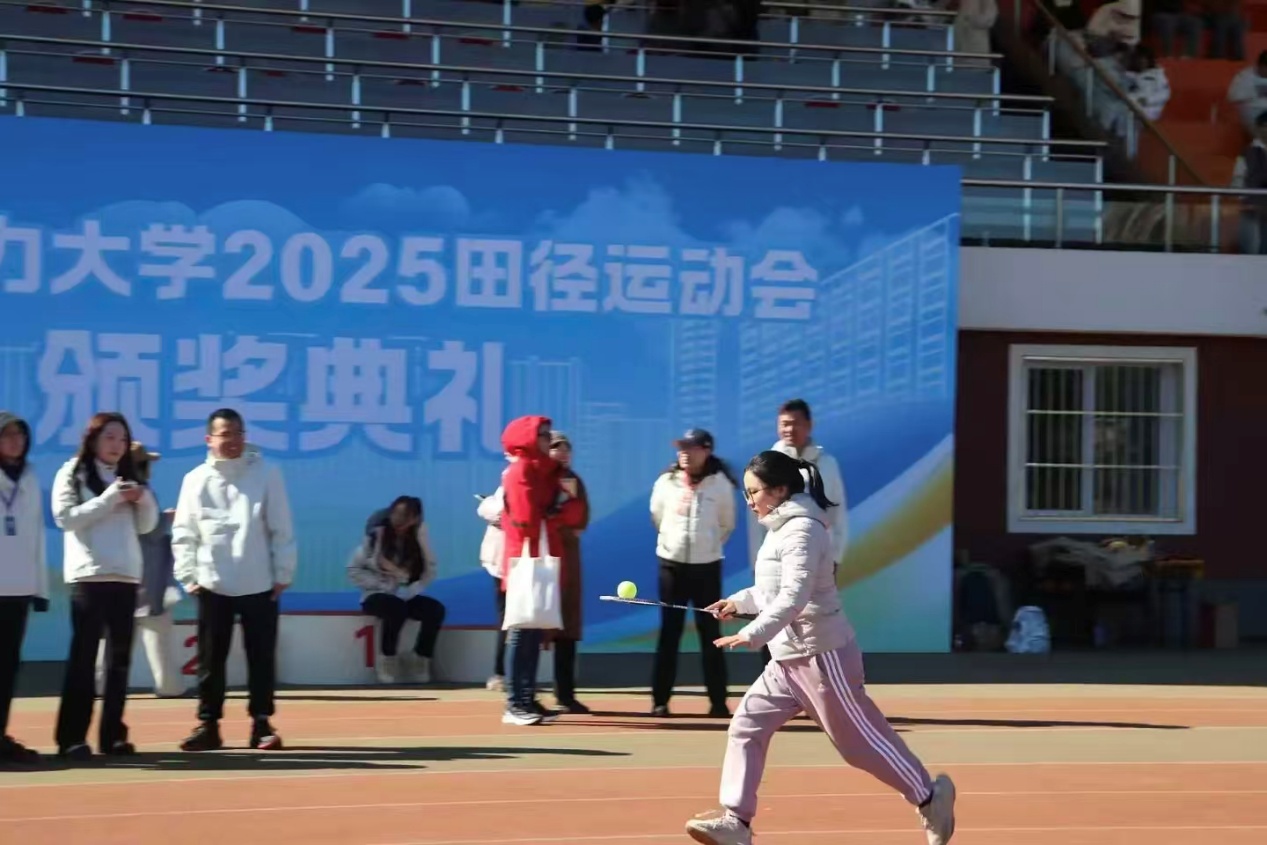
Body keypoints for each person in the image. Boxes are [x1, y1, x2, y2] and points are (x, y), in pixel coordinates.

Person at [684, 451, 956, 845]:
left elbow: (794, 596)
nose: (749, 501)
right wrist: (738, 603)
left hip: (821, 657)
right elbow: (770, 591)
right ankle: (736, 822)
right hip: (785, 660)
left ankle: (930, 798)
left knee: (858, 746)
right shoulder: (779, 528)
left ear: (780, 490)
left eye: (754, 492)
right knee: (746, 725)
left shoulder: (803, 531)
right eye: (746, 493)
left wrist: (752, 633)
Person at [172, 408, 296, 752]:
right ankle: (208, 724)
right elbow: (184, 533)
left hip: (260, 581)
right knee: (210, 660)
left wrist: (283, 573)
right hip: (212, 582)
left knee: (261, 657)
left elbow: (281, 526)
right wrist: (188, 577)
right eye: (225, 434)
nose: (233, 441)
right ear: (209, 439)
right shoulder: (195, 479)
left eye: (238, 433)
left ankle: (262, 723)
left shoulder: (267, 473)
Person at [51, 412, 159, 760]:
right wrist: (111, 497)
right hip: (89, 576)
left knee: (119, 662)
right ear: (93, 439)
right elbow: (65, 518)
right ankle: (72, 738)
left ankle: (113, 736)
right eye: (109, 437)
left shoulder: (128, 473)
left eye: (122, 439)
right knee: (83, 660)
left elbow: (146, 525)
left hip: (125, 576)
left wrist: (143, 498)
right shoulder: (73, 472)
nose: (116, 445)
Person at [497, 415, 585, 727]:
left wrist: (555, 512)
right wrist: (553, 513)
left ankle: (526, 696)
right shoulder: (521, 470)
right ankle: (515, 701)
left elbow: (576, 511)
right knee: (522, 630)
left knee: (533, 631)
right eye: (544, 435)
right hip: (525, 560)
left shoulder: (553, 472)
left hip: (544, 558)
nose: (549, 440)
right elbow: (526, 520)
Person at [752, 399, 848, 666]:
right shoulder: (766, 464)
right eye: (784, 424)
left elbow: (837, 512)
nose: (789, 429)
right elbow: (756, 518)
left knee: (814, 624)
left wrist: (835, 557)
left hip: (815, 558)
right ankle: (776, 679)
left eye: (795, 423)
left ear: (809, 425)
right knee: (774, 621)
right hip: (777, 557)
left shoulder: (826, 464)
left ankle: (815, 682)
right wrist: (756, 561)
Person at [649, 428, 737, 719]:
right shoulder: (666, 482)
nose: (684, 453)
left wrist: (706, 546)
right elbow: (657, 516)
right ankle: (660, 702)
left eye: (691, 448)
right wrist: (672, 543)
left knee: (710, 634)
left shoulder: (720, 484)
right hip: (671, 566)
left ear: (706, 450)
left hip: (707, 568)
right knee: (669, 634)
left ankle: (718, 702)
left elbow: (727, 523)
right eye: (681, 448)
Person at [95, 442, 185, 699]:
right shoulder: (140, 492)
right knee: (158, 636)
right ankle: (169, 686)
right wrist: (167, 519)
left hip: (123, 577)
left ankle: (100, 685)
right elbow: (149, 531)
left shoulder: (112, 491)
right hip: (147, 579)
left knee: (113, 639)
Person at [349, 496, 445, 685]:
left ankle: (421, 658)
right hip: (375, 594)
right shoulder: (376, 535)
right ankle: (387, 658)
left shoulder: (419, 538)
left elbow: (430, 570)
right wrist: (380, 584)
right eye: (396, 514)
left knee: (435, 610)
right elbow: (353, 569)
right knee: (395, 608)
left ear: (415, 520)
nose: (399, 521)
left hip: (405, 594)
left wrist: (413, 589)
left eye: (406, 516)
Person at [0, 411, 46, 763]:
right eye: (8, 434)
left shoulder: (29, 477)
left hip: (18, 589)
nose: (16, 441)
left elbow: (37, 535)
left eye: (20, 434)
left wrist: (40, 588)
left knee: (7, 667)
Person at [544, 430, 591, 714]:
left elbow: (579, 518)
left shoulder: (571, 480)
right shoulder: (535, 478)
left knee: (567, 627)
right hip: (539, 558)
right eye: (555, 447)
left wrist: (558, 520)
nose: (562, 453)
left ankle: (565, 693)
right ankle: (522, 694)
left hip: (567, 560)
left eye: (566, 448)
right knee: (530, 627)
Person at [477, 483, 507, 691]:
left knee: (528, 623)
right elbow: (488, 509)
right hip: (503, 562)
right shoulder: (512, 478)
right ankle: (500, 673)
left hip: (535, 561)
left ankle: (521, 676)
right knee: (507, 618)